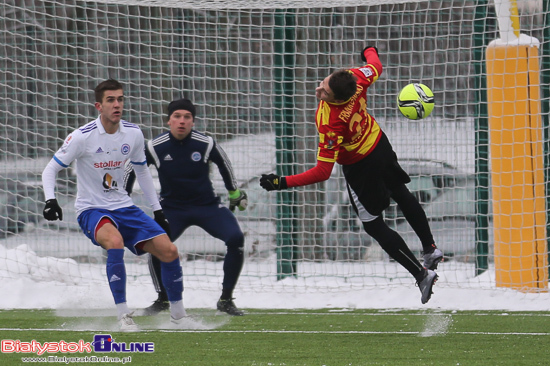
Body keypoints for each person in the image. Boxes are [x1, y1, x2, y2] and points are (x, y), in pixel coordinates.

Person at [259, 46, 444, 304]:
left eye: (325, 92)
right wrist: (369, 51)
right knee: (401, 193)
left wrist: (282, 182)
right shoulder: (357, 78)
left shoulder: (330, 123)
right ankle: (430, 248)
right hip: (379, 145)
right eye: (323, 84)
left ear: (335, 100)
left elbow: (323, 172)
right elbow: (376, 66)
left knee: (373, 224)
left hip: (360, 167)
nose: (319, 90)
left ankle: (421, 274)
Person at [41, 79, 187, 330]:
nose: (117, 104)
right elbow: (50, 169)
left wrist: (158, 210)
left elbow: (142, 173)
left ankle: (179, 316)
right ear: (99, 105)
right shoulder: (81, 137)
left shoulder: (133, 133)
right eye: (111, 100)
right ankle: (123, 315)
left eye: (120, 99)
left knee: (169, 251)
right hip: (92, 210)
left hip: (124, 207)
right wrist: (50, 200)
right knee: (115, 242)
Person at [124, 98, 248, 316]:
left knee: (236, 238)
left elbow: (224, 164)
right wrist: (122, 199)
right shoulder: (154, 146)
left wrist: (234, 193)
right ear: (168, 121)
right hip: (172, 209)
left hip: (207, 206)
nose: (182, 121)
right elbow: (132, 169)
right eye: (177, 117)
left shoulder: (206, 143)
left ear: (193, 121)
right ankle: (162, 299)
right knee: (157, 244)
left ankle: (226, 300)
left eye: (187, 117)